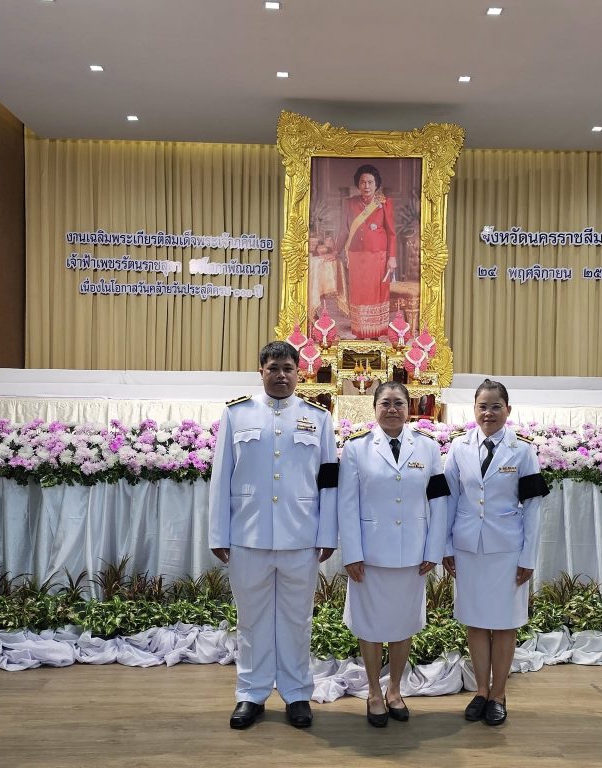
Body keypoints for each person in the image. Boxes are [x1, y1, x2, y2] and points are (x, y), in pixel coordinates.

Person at [208, 341, 339, 730]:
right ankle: (251, 693)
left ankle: (297, 694)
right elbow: (221, 476)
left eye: (288, 368)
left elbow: (329, 480)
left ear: (299, 373)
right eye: (273, 368)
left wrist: (327, 532)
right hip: (248, 535)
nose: (281, 375)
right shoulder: (237, 414)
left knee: (298, 620)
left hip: (301, 536)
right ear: (261, 372)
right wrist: (218, 532)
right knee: (252, 620)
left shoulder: (318, 418)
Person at [337, 381, 449, 727]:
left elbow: (439, 501)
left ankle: (395, 690)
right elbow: (346, 504)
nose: (392, 409)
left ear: (408, 408)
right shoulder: (356, 448)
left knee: (404, 624)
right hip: (369, 555)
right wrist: (351, 552)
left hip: (413, 554)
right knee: (369, 626)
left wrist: (434, 548)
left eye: (399, 403)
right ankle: (374, 691)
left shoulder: (428, 448)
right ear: (374, 408)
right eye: (385, 403)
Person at [442, 379, 549, 726]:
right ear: (473, 409)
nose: (488, 413)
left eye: (495, 407)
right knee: (475, 620)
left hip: (507, 550)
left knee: (504, 623)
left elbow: (533, 507)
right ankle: (481, 691)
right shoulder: (459, 447)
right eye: (482, 406)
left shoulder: (523, 451)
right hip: (468, 548)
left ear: (508, 410)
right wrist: (445, 546)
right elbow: (449, 499)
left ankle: (499, 693)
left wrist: (528, 557)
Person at [338, 163, 396, 339]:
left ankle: (376, 332)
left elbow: (391, 233)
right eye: (363, 182)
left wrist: (392, 257)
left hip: (377, 257)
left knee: (376, 295)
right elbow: (343, 230)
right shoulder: (349, 203)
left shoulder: (384, 204)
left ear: (376, 184)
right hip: (356, 256)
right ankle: (360, 332)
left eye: (370, 182)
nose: (367, 186)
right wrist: (336, 251)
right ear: (358, 184)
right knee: (359, 295)